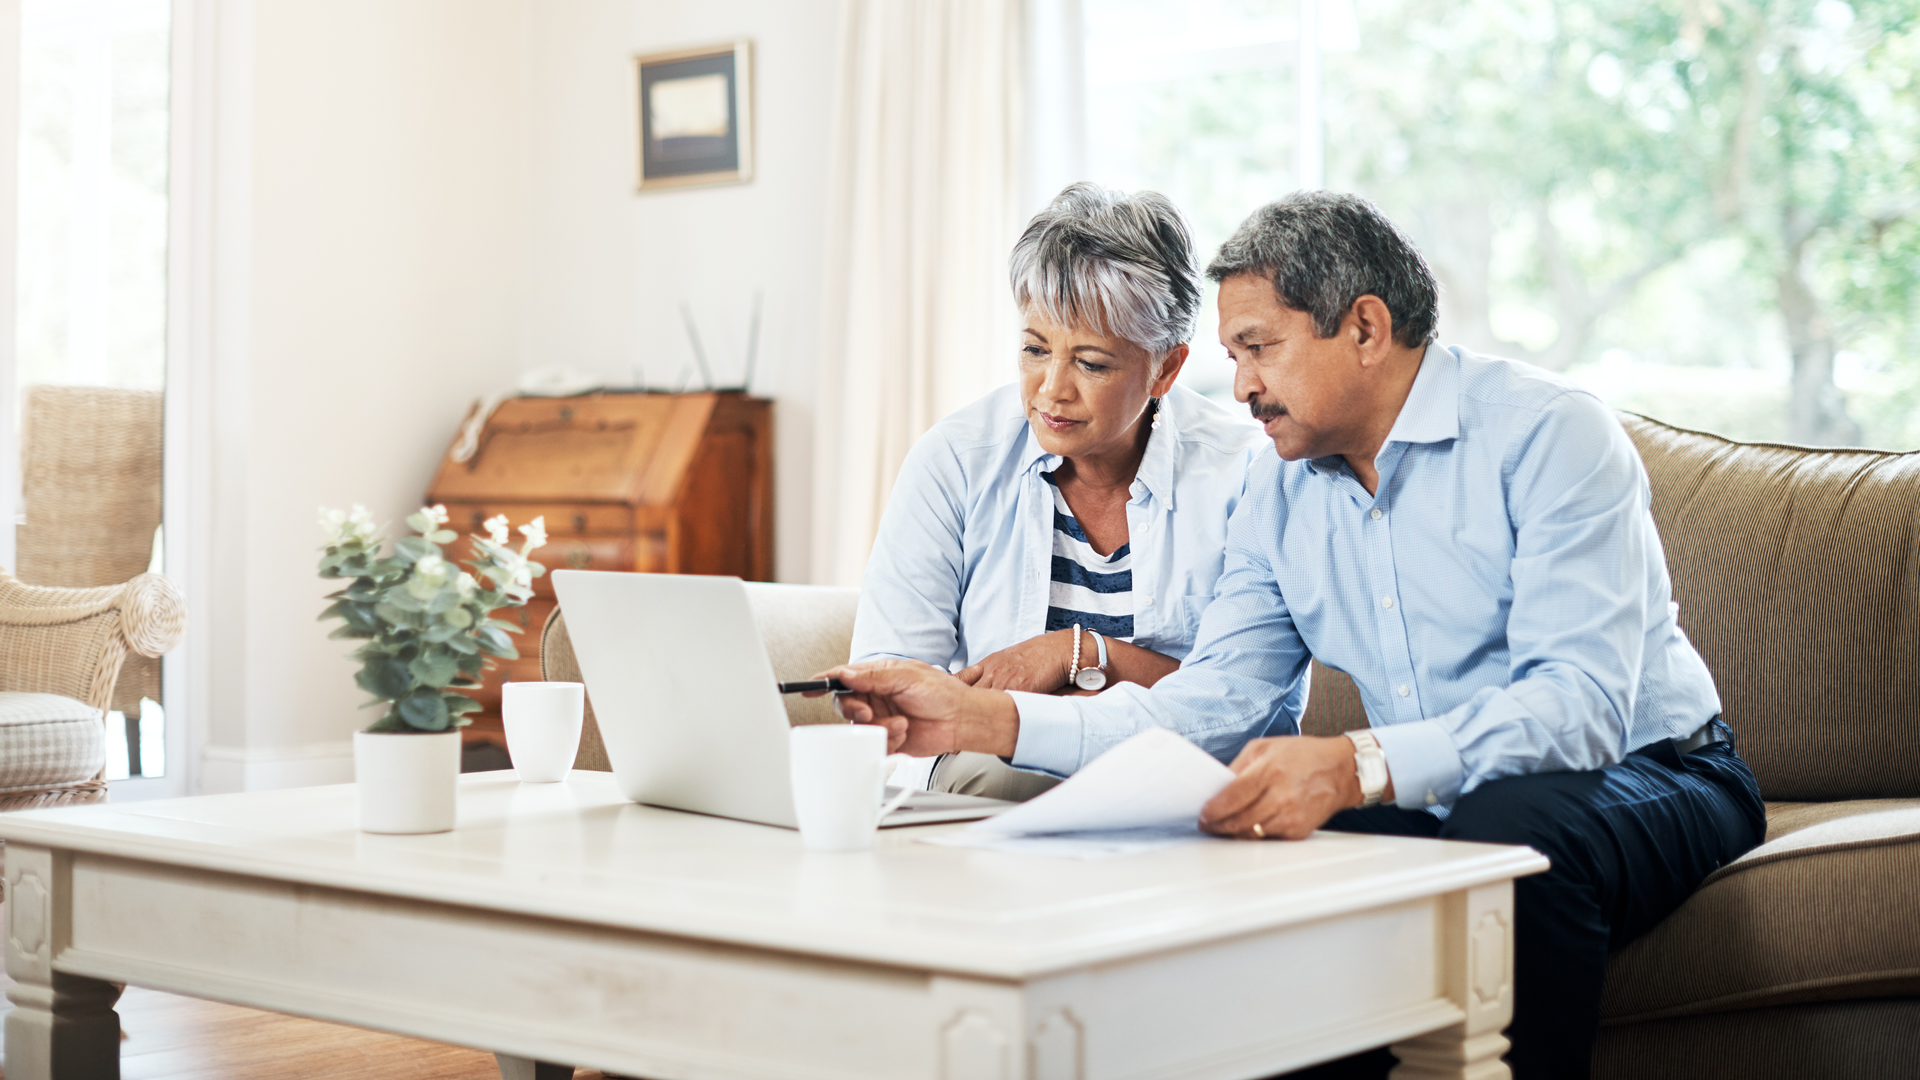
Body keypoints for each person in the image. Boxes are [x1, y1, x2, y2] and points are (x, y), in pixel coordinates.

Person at [821, 192, 1766, 1078]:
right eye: (1233, 357)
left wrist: (1352, 765)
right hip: (1449, 792)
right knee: (1270, 872)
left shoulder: (1551, 435)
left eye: (1257, 350)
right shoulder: (1275, 487)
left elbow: (1581, 709)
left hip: (1657, 767)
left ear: (1363, 328)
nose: (1240, 388)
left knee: (1502, 835)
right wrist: (977, 721)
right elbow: (1211, 704)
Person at [849, 182, 1280, 801]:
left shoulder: (1244, 476)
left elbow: (1242, 706)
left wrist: (1078, 652)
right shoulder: (956, 460)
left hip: (1174, 788)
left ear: (1165, 368)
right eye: (1033, 349)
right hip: (990, 785)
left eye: (1092, 363)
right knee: (994, 776)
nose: (1051, 390)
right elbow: (892, 676)